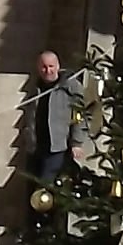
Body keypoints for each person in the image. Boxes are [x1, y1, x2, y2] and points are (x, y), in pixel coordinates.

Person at [27, 52, 87, 183]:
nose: (48, 70)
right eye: (44, 67)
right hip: (36, 147)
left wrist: (76, 143)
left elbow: (80, 115)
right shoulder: (35, 87)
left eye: (51, 66)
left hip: (57, 147)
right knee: (32, 188)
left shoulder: (70, 86)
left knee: (45, 186)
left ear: (58, 66)